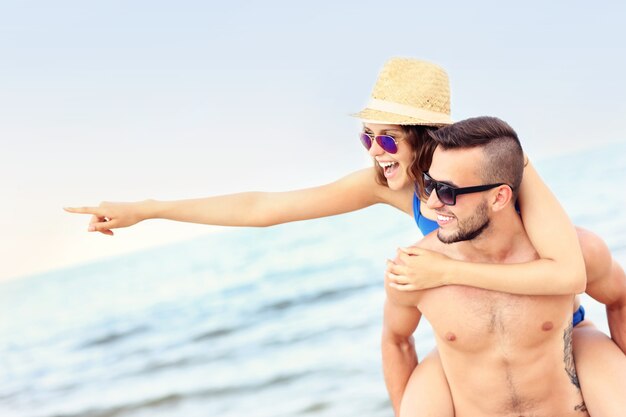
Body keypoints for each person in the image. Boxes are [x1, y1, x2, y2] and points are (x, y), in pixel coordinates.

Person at [64, 58, 625, 409]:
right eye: (366, 138)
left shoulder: (498, 172)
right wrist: (150, 208)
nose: (375, 155)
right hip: (473, 330)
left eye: (386, 140)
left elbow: (570, 270)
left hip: (549, 325)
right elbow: (267, 207)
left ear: (423, 135)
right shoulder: (389, 183)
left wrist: (445, 271)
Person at [382, 116, 626, 417]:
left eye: (447, 191)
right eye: (430, 184)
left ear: (500, 197)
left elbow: (620, 299)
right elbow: (396, 341)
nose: (431, 203)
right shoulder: (414, 270)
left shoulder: (577, 253)